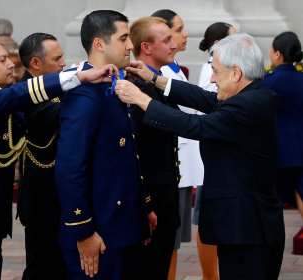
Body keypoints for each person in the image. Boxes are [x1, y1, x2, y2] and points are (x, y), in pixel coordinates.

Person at [0, 35, 118, 280]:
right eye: (1, 60)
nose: (11, 64)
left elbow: (19, 102)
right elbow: (15, 98)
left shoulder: (4, 101)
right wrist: (78, 76)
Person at [115, 33, 286, 280]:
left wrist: (141, 99)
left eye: (216, 71)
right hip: (246, 225)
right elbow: (204, 98)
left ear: (236, 73)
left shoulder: (246, 106)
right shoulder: (251, 94)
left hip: (248, 230)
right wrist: (154, 79)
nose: (213, 78)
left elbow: (193, 125)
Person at [54, 10, 156, 280]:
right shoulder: (84, 94)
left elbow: (127, 155)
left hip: (121, 227)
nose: (131, 46)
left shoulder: (112, 84)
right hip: (99, 233)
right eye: (124, 38)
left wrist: (142, 210)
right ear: (99, 44)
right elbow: (70, 166)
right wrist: (82, 230)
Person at [151, 9, 204, 280]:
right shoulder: (156, 72)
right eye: (177, 31)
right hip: (173, 164)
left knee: (173, 240)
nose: (182, 37)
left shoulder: (172, 69)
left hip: (185, 163)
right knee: (166, 242)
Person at [129, 16, 180, 280]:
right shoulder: (135, 90)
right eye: (167, 40)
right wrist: (144, 204)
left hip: (165, 197)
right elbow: (137, 152)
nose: (174, 45)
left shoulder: (155, 82)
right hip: (153, 204)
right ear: (146, 47)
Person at [17, 32, 67, 279]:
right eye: (57, 58)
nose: (63, 63)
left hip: (62, 194)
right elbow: (53, 114)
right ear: (36, 63)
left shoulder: (56, 86)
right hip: (41, 197)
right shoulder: (23, 92)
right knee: (41, 267)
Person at [194, 21, 237, 280]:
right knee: (205, 221)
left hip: (218, 151)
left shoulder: (222, 62)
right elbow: (210, 105)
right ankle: (210, 275)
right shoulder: (214, 67)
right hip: (210, 153)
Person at [263, 31, 303, 219]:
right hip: (301, 151)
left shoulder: (268, 83)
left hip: (277, 153)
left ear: (278, 54)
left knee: (272, 206)